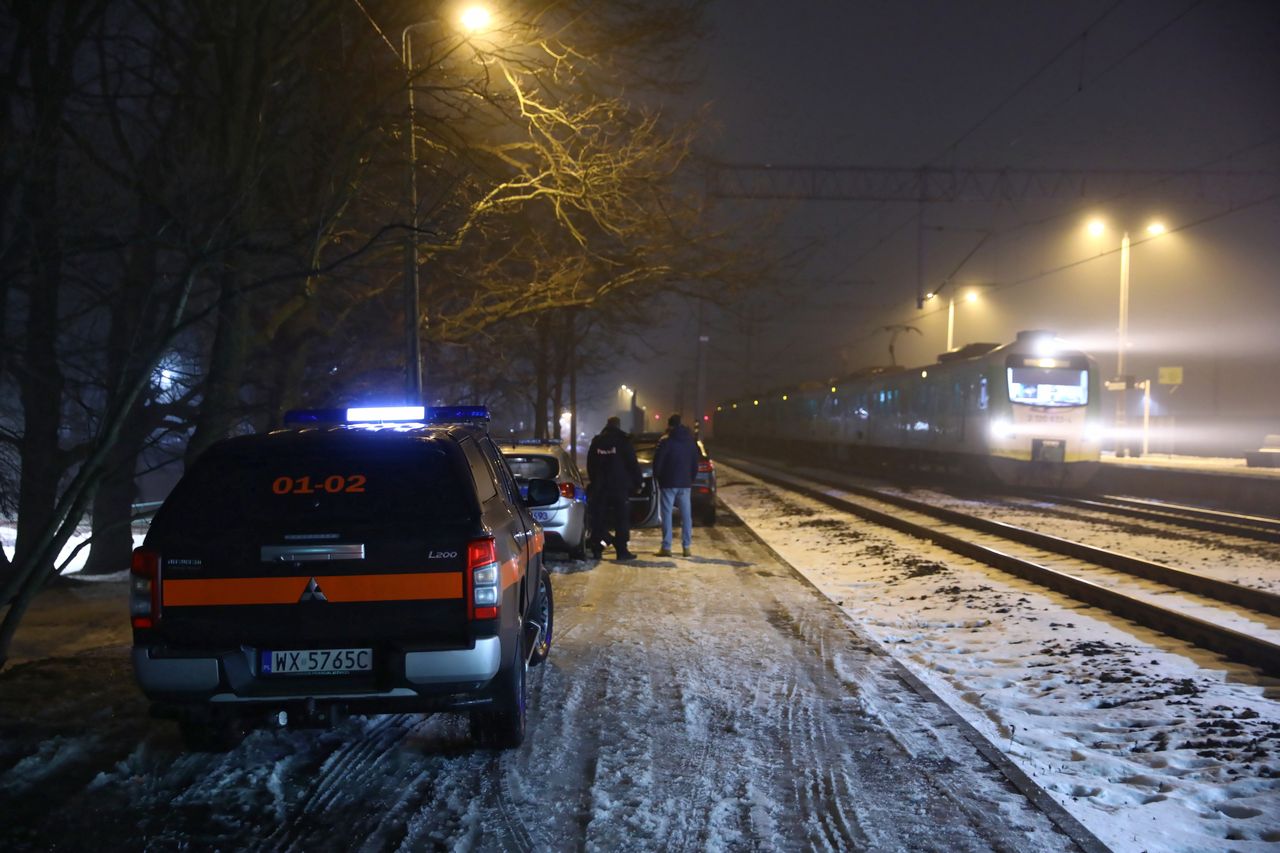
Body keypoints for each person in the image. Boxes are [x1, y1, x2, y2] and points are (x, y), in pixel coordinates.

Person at [586, 416, 641, 561]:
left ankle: (597, 548)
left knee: (599, 518)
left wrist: (595, 481)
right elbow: (632, 463)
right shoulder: (623, 441)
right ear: (618, 425)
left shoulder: (597, 441)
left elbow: (590, 464)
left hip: (601, 487)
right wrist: (638, 483)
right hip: (619, 487)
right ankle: (621, 550)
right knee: (621, 519)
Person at [651, 413, 700, 557]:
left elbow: (658, 462)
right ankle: (687, 547)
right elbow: (694, 463)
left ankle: (666, 547)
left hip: (668, 482)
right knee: (686, 515)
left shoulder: (665, 441)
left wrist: (657, 477)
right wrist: (690, 479)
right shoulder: (690, 441)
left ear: (669, 425)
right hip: (685, 483)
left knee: (666, 514)